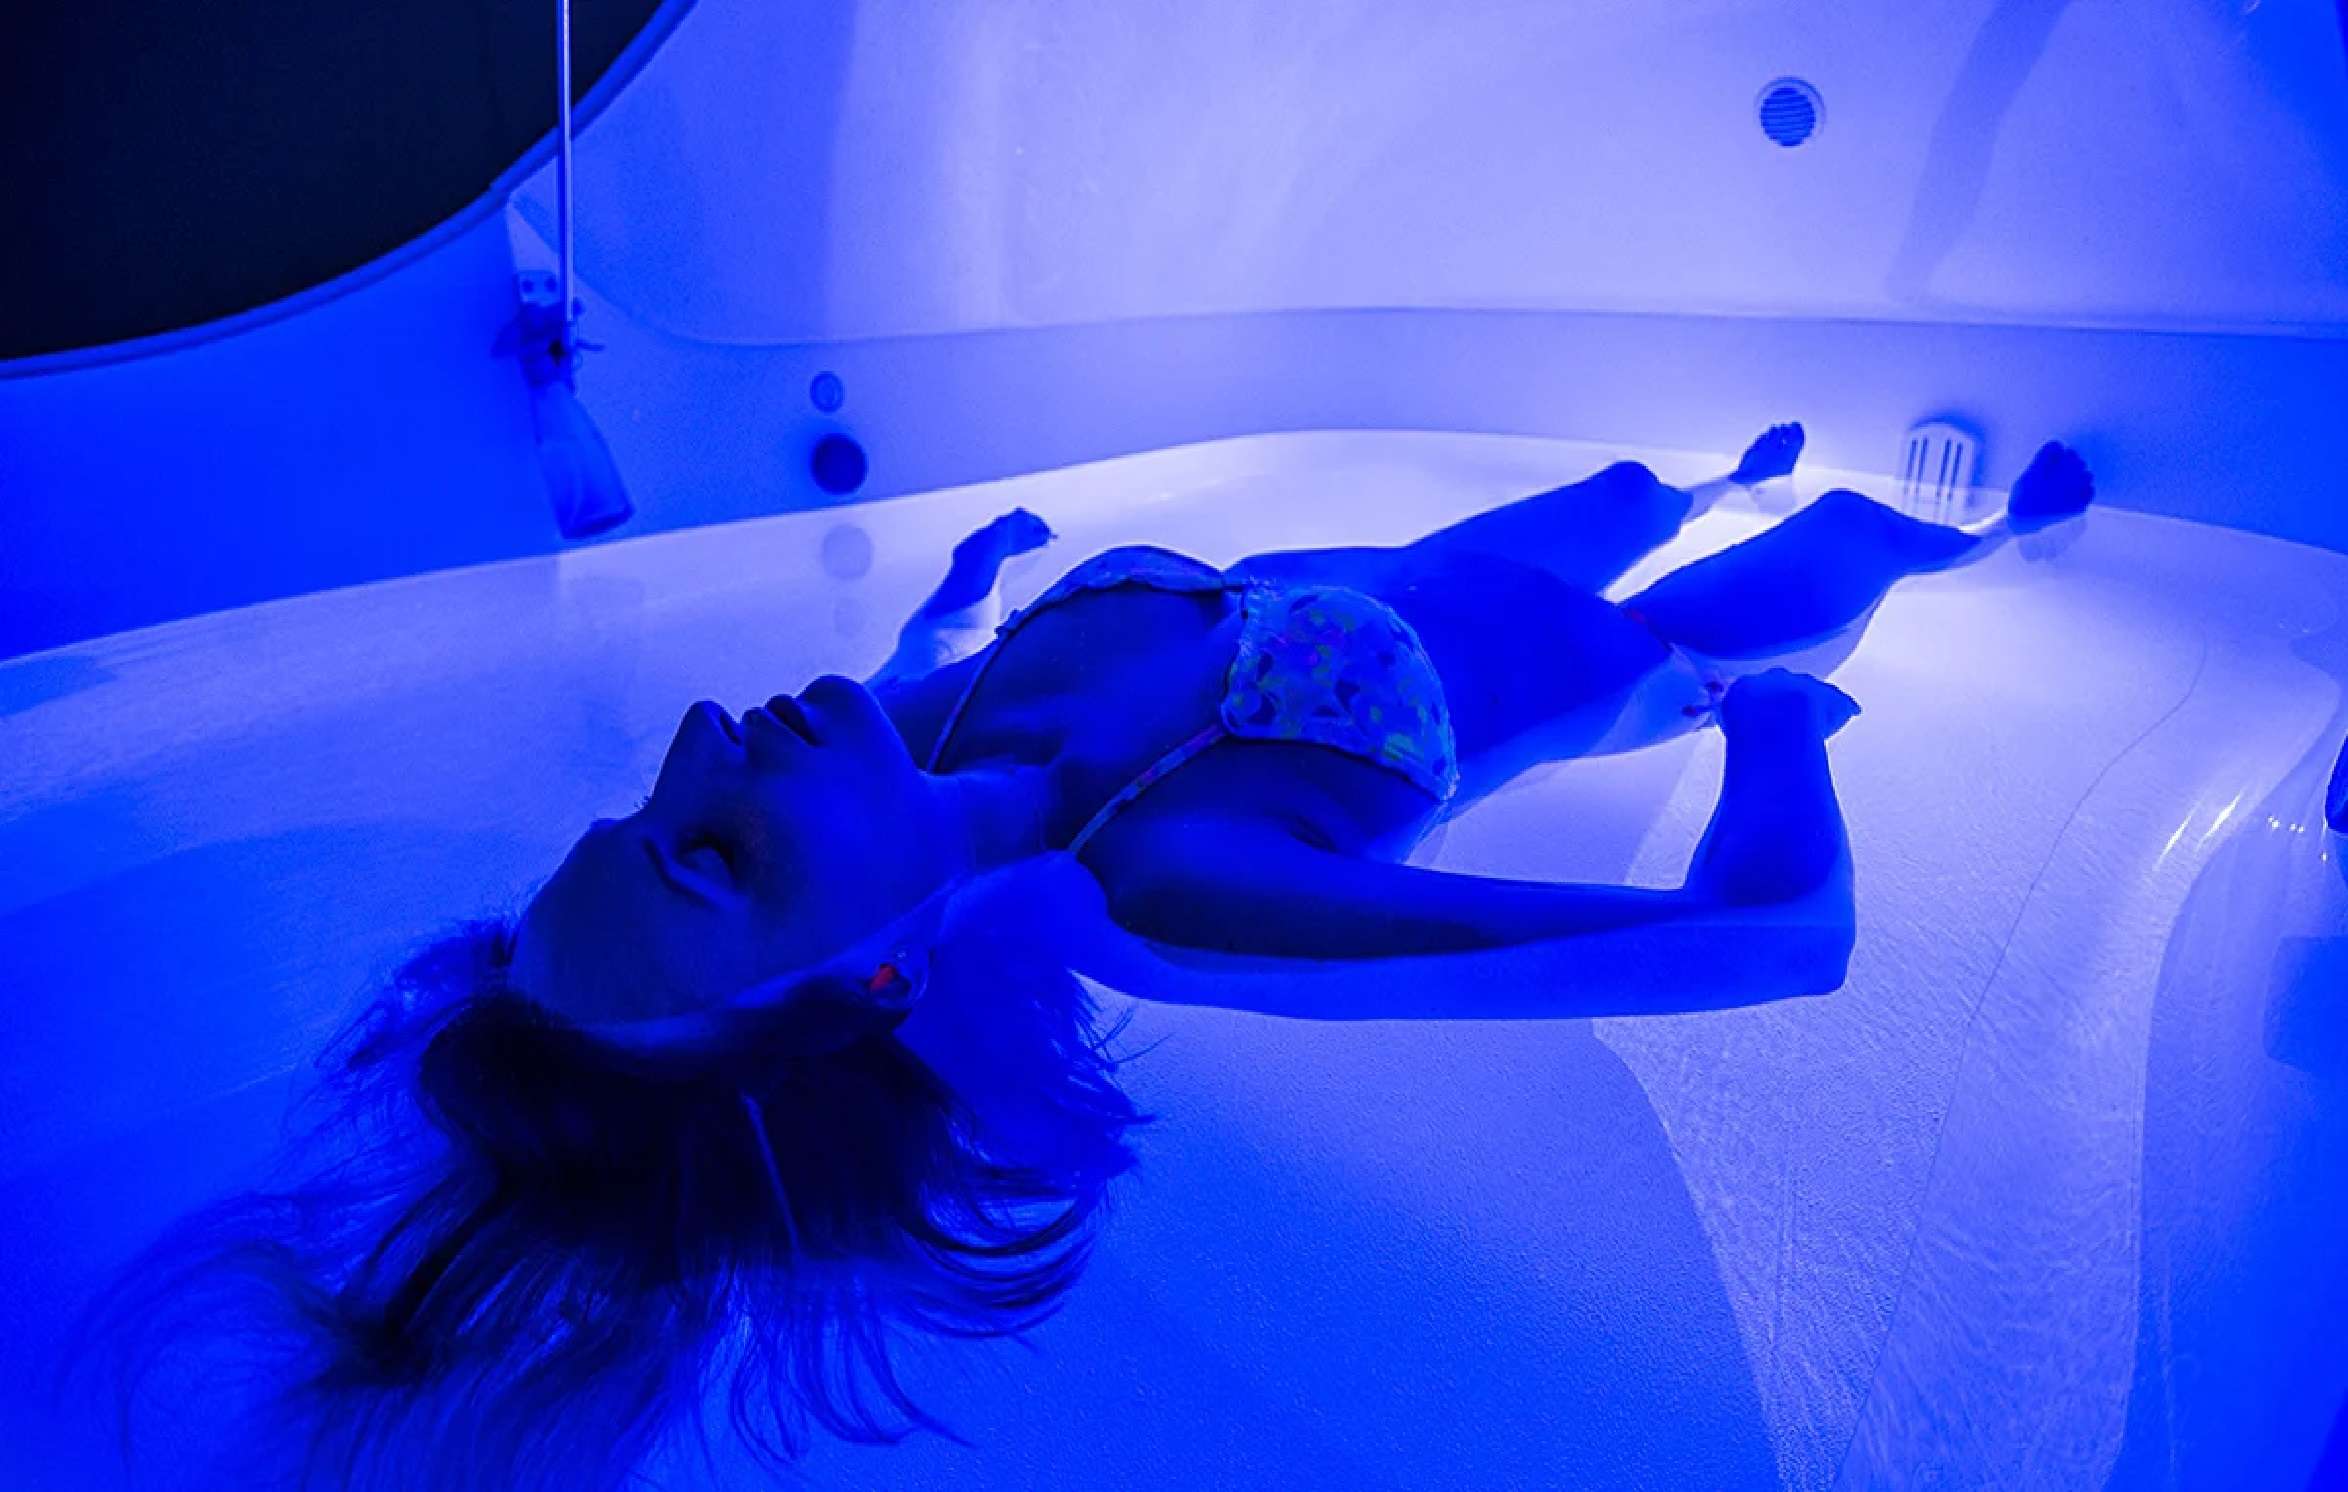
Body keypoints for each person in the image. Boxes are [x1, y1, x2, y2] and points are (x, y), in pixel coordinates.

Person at [60, 426, 2094, 1492]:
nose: (700, 737)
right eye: (710, 843)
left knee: (1637, 484)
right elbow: (1773, 940)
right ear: (868, 986)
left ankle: (1702, 477)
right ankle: (1980, 540)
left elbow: (896, 693)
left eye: (646, 800)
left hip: (1442, 563)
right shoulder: (1176, 887)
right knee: (1839, 547)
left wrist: (962, 592)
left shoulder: (894, 734)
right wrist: (1771, 724)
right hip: (1627, 662)